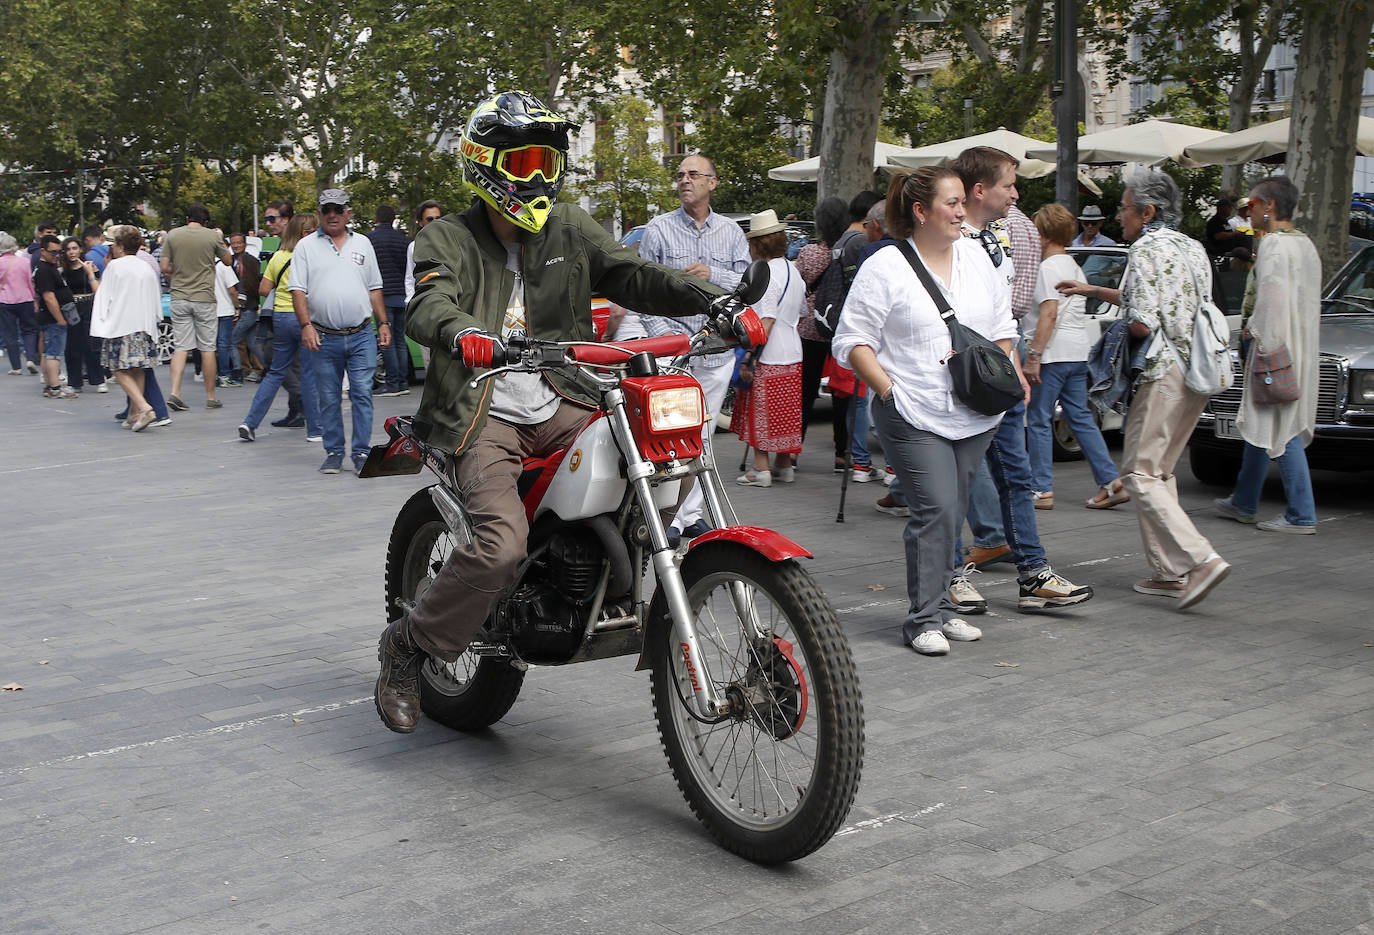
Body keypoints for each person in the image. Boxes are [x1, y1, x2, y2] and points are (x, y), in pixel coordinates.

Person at [373, 89, 725, 733]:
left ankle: (603, 571)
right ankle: (409, 645)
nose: (538, 174)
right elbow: (427, 305)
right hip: (482, 410)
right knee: (499, 546)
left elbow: (632, 272)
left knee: (657, 450)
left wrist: (716, 301)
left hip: (566, 393)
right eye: (525, 160)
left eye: (548, 159)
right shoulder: (444, 237)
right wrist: (462, 332)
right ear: (486, 162)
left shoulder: (570, 225)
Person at [834, 167, 1017, 656]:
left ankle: (944, 609)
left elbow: (1003, 325)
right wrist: (890, 392)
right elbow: (851, 341)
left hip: (977, 413)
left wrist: (1006, 378)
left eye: (962, 202)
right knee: (935, 509)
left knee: (953, 511)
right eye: (952, 203)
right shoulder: (886, 266)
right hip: (913, 412)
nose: (962, 212)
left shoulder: (978, 259)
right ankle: (922, 620)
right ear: (921, 211)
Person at [950, 145, 1094, 612]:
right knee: (957, 477)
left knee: (1015, 475)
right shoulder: (946, 239)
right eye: (1009, 184)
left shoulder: (997, 236)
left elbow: (1002, 314)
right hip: (961, 377)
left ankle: (1033, 574)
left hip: (996, 373)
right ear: (979, 189)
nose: (1015, 194)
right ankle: (951, 575)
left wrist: (1014, 365)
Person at [1116, 169, 1231, 607]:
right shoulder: (1193, 246)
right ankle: (1167, 571)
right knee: (1160, 472)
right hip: (1199, 369)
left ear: (1147, 212)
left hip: (1162, 370)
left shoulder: (1144, 249)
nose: (1120, 215)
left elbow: (1143, 320)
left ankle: (1199, 559)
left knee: (1139, 473)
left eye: (1125, 208)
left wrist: (1118, 332)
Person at [635, 152, 750, 546]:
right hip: (675, 355)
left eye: (693, 174)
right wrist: (667, 346)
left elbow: (744, 285)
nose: (685, 180)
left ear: (712, 183)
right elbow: (644, 294)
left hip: (716, 353)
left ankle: (690, 515)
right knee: (672, 439)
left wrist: (711, 274)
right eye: (680, 175)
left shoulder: (732, 232)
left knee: (702, 436)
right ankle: (668, 515)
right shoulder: (658, 230)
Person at [1214, 176, 1320, 535]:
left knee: (1280, 425)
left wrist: (1256, 338)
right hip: (1299, 345)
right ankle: (1244, 500)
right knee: (1266, 419)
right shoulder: (1305, 244)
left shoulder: (1274, 244)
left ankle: (1301, 513)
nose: (1249, 212)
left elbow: (1270, 301)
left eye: (1253, 206)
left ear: (1269, 206)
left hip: (1273, 347)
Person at [1023, 204, 1127, 510]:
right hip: (1078, 350)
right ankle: (1110, 481)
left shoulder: (1047, 268)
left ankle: (1041, 488)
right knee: (1080, 417)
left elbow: (1049, 313)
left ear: (1041, 234)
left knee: (1039, 419)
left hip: (1053, 354)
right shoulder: (1074, 266)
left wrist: (1034, 355)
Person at [291, 189, 389, 475]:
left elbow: (374, 287)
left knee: (361, 393)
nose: (332, 215)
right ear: (320, 214)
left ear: (348, 213)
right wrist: (306, 325)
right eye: (326, 210)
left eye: (338, 209)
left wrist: (383, 323)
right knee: (329, 397)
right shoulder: (306, 246)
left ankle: (360, 452)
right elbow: (298, 290)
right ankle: (333, 452)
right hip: (324, 336)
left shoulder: (364, 243)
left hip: (361, 335)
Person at [731, 210, 806, 486]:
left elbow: (767, 318)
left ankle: (760, 468)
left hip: (769, 352)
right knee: (784, 412)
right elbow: (802, 311)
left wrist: (749, 354)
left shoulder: (764, 273)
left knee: (760, 411)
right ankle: (784, 465)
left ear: (758, 244)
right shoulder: (793, 271)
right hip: (793, 351)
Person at [237, 214, 322, 444]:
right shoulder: (313, 256)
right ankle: (314, 429)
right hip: (305, 318)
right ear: (305, 233)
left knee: (275, 372)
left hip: (281, 317)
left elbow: (265, 289)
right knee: (307, 374)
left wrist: (282, 289)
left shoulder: (279, 256)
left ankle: (250, 422)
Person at [795, 196, 849, 469]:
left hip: (811, 327)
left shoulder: (809, 253)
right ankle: (843, 453)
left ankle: (792, 452)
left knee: (805, 391)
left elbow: (797, 286)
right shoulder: (850, 251)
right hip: (841, 327)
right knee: (841, 393)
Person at [90, 226, 162, 432]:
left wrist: (102, 322)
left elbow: (104, 295)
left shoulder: (115, 267)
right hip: (144, 324)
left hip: (121, 324)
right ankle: (135, 413)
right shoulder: (145, 266)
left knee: (118, 368)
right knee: (137, 368)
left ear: (120, 246)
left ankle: (144, 408)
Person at [160, 203, 231, 409]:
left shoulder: (172, 235)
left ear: (187, 218)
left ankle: (175, 392)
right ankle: (210, 397)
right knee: (208, 348)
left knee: (181, 347)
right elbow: (227, 261)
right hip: (204, 298)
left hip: (179, 297)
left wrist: (179, 271)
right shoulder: (212, 236)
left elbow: (164, 266)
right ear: (206, 221)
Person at [366, 204, 412, 397]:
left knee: (386, 340)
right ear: (393, 219)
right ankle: (402, 381)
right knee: (400, 340)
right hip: (401, 294)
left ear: (377, 218)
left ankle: (392, 383)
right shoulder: (404, 240)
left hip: (382, 296)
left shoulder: (370, 240)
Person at [33, 235, 79, 398]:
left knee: (48, 353)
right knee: (54, 353)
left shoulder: (47, 267)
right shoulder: (44, 270)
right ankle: (54, 387)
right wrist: (60, 318)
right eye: (53, 252)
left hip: (49, 316)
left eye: (59, 252)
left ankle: (50, 385)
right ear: (43, 251)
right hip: (52, 317)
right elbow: (49, 297)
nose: (57, 255)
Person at [59, 236, 105, 393]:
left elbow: (98, 286)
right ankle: (74, 382)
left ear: (80, 249)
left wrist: (90, 272)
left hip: (88, 306)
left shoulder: (89, 266)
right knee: (72, 346)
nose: (71, 252)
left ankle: (99, 379)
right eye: (68, 249)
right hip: (71, 309)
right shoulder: (62, 270)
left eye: (74, 248)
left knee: (91, 344)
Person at [0, 232, 40, 374]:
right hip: (25, 299)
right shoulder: (24, 262)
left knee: (10, 334)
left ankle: (16, 367)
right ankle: (30, 358)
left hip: (5, 301)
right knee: (29, 330)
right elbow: (30, 282)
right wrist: (34, 298)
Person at [228, 233, 264, 381]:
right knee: (252, 343)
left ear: (244, 244)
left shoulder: (251, 261)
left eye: (238, 243)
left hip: (248, 307)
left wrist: (243, 303)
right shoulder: (230, 261)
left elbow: (255, 285)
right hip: (245, 308)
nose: (236, 246)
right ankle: (268, 367)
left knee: (232, 341)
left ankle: (238, 373)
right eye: (233, 243)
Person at [212, 248, 243, 387]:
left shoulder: (205, 266)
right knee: (224, 344)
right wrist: (237, 306)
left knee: (212, 345)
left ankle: (212, 374)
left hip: (209, 310)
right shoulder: (224, 266)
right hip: (224, 310)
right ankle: (224, 375)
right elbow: (232, 290)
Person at [404, 200, 443, 305]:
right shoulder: (413, 247)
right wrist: (410, 301)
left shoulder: (452, 243)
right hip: (423, 304)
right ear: (421, 222)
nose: (435, 222)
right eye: (430, 219)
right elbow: (410, 277)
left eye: (438, 218)